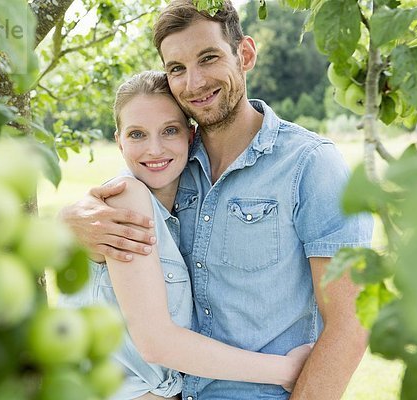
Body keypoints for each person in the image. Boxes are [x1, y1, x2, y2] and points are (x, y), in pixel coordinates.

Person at [59, 1, 374, 399]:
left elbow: (352, 322)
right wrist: (66, 222)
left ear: (245, 54)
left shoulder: (310, 164)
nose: (193, 83)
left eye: (208, 59)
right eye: (177, 69)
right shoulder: (170, 168)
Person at [59, 70, 312, 399]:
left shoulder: (184, 211)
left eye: (169, 130)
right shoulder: (125, 198)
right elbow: (157, 344)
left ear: (190, 136)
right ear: (118, 140)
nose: (154, 149)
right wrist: (285, 370)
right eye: (137, 134)